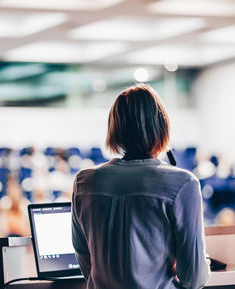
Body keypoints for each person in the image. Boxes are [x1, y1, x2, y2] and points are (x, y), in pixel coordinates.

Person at [71, 84, 210, 289]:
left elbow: (85, 260)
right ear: (162, 128)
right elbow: (193, 278)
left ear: (115, 129)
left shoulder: (85, 182)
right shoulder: (183, 183)